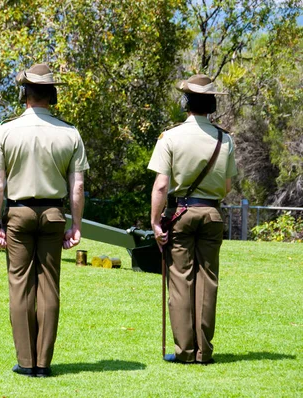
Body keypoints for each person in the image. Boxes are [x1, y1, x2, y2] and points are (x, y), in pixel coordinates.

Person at [0, 63, 89, 377]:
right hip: (54, 214)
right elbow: (78, 186)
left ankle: (26, 363)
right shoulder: (70, 133)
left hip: (18, 214)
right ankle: (44, 363)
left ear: (25, 94)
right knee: (49, 287)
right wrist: (77, 225)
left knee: (20, 286)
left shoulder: (5, 130)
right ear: (52, 95)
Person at [148, 74, 238, 364]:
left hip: (182, 213)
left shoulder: (171, 136)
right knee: (207, 281)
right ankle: (204, 351)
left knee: (180, 280)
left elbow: (161, 185)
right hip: (211, 213)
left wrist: (154, 221)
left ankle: (185, 351)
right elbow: (227, 187)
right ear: (211, 105)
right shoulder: (225, 139)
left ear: (186, 102)